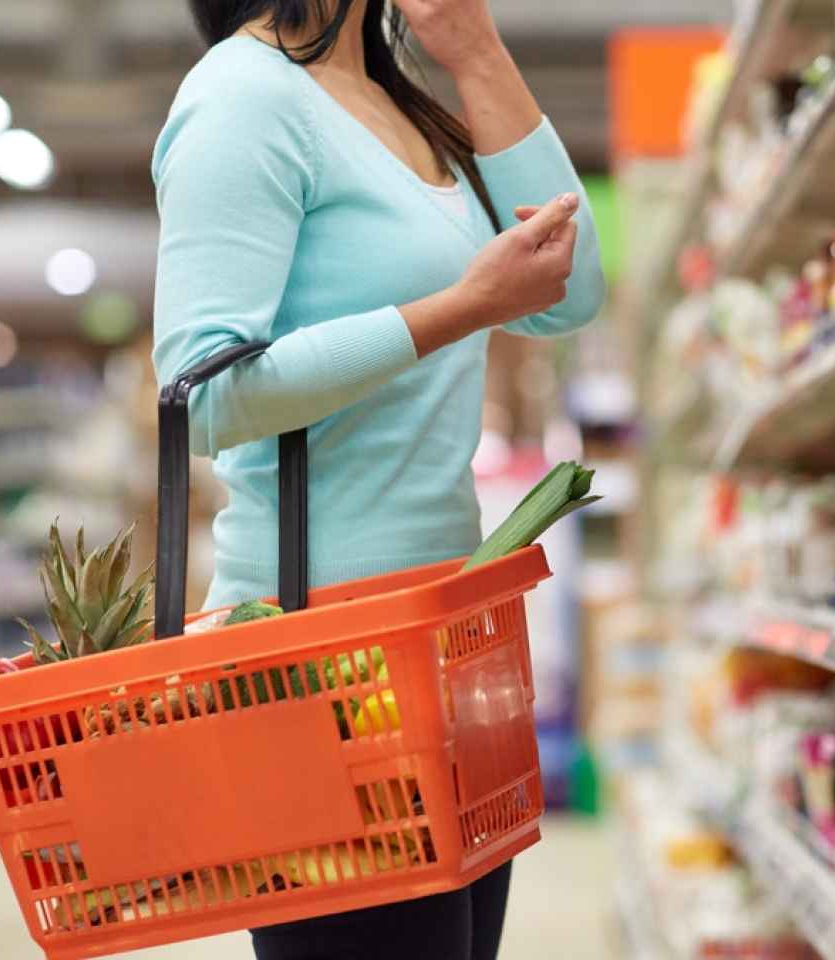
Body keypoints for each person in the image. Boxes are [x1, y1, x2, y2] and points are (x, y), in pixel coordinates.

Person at [151, 0, 605, 956]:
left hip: (443, 639)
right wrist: (460, 307)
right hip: (322, 657)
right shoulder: (242, 97)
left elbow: (571, 290)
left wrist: (471, 46)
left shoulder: (396, 100)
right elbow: (204, 396)